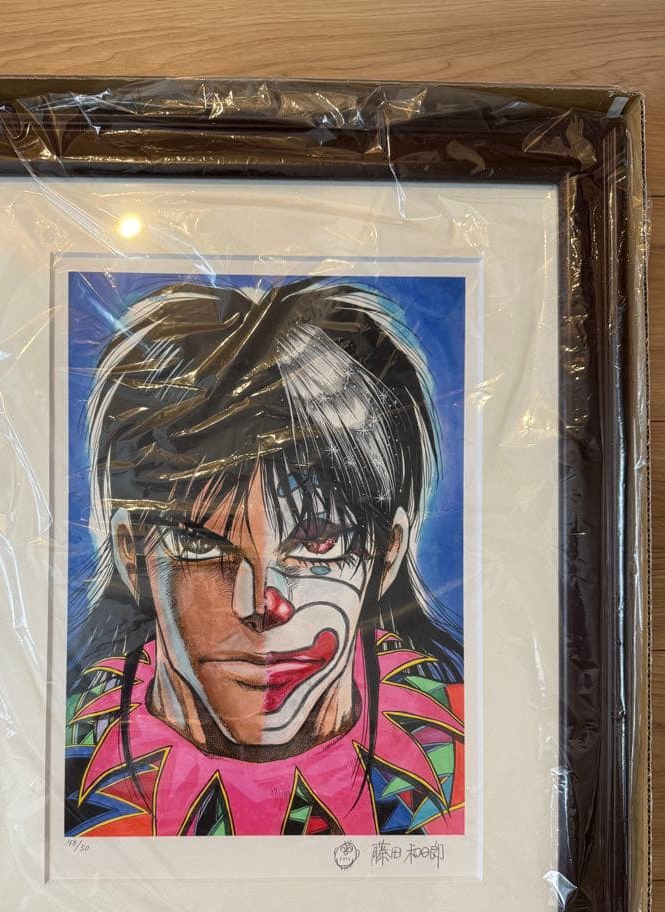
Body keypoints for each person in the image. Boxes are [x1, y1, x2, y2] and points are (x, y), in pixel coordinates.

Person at [65, 278, 464, 837]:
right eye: (201, 545)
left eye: (318, 543)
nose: (262, 604)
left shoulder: (466, 765)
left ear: (387, 553)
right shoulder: (55, 769)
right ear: (133, 555)